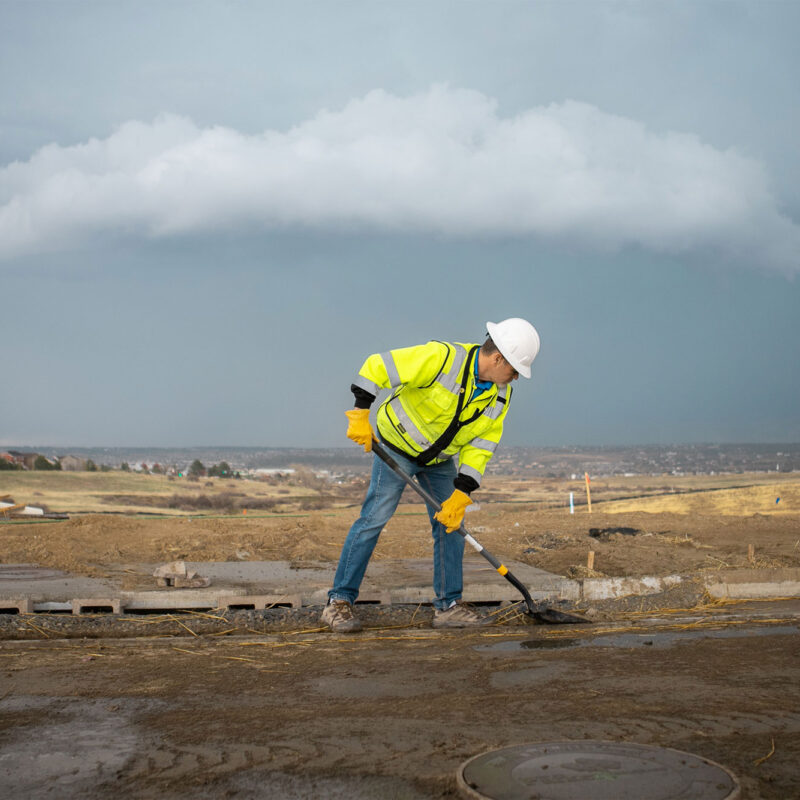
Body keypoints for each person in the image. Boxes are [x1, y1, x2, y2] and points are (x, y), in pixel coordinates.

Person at [321, 318, 540, 632]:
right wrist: (359, 412)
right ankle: (338, 602)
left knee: (452, 524)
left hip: (439, 461)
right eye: (515, 368)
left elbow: (482, 445)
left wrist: (462, 492)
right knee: (374, 518)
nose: (516, 376)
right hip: (395, 446)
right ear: (498, 358)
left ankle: (449, 606)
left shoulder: (500, 396)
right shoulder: (443, 359)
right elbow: (378, 366)